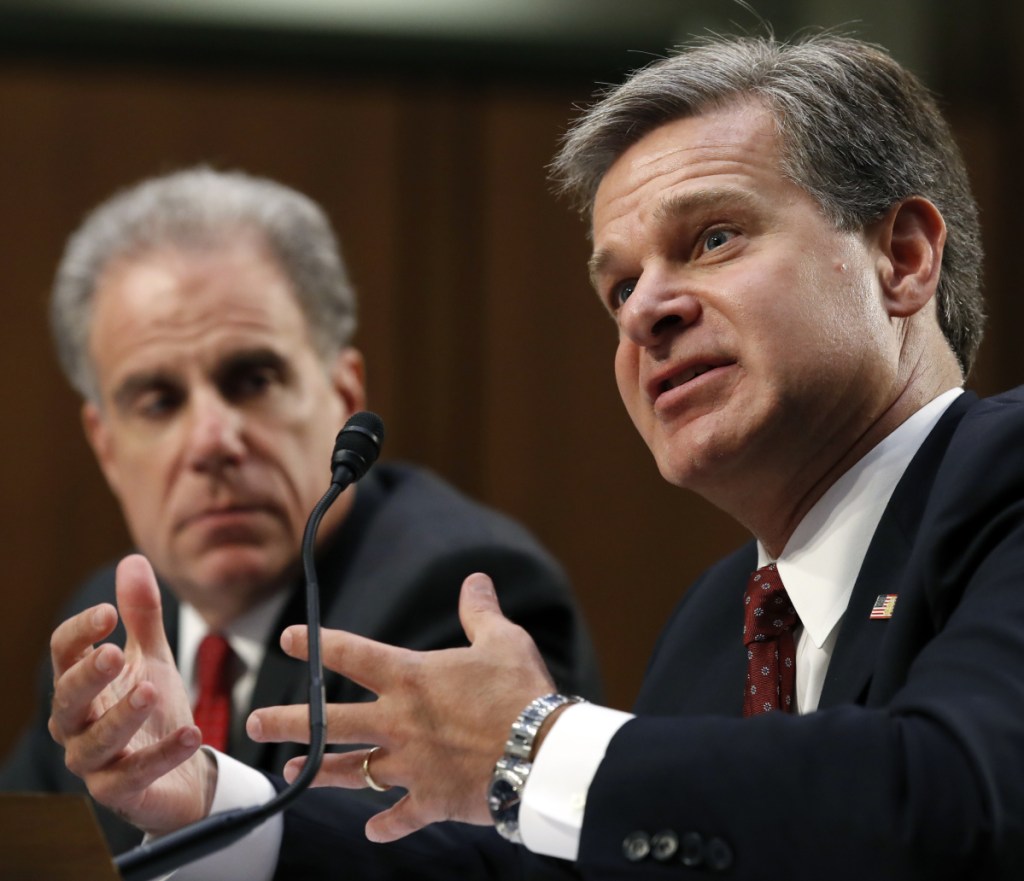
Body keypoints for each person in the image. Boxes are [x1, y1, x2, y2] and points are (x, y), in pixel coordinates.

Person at [44, 30, 1024, 881]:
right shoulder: (716, 625)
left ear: (900, 257)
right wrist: (210, 800)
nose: (647, 307)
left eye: (714, 238)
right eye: (619, 287)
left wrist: (533, 742)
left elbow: (956, 799)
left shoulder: (1005, 480)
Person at [1, 167, 603, 856]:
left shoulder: (450, 596)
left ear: (344, 394)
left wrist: (199, 798)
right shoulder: (110, 629)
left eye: (253, 379)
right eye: (160, 401)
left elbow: (443, 870)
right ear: (106, 446)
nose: (212, 441)